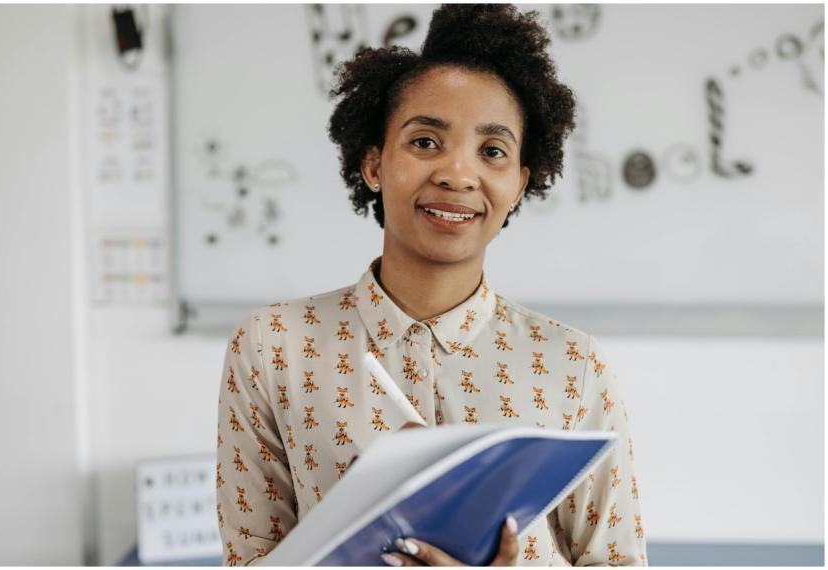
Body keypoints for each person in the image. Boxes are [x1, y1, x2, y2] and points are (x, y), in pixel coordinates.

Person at [216, 4, 647, 566]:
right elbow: (250, 559)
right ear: (374, 164)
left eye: (491, 151)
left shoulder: (574, 365)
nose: (457, 174)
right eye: (425, 142)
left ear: (518, 184)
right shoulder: (273, 347)